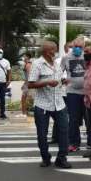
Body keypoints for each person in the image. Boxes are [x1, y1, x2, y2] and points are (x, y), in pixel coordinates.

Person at [27, 41, 71, 169]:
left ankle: (61, 158)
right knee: (42, 134)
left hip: (59, 103)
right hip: (43, 105)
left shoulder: (56, 63)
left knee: (64, 131)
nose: (56, 52)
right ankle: (45, 158)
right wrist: (46, 82)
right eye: (54, 49)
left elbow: (57, 80)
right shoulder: (37, 64)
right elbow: (31, 84)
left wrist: (63, 81)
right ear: (47, 51)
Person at [62, 37, 87, 153]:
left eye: (80, 47)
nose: (77, 49)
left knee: (89, 119)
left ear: (84, 47)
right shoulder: (66, 58)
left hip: (87, 92)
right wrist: (63, 79)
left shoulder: (86, 56)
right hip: (72, 92)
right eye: (75, 46)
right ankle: (74, 143)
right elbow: (59, 71)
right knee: (73, 119)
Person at [19, 53, 33, 117]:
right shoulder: (27, 64)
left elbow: (29, 76)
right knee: (25, 98)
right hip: (27, 83)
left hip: (28, 84)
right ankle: (24, 112)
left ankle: (24, 113)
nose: (23, 58)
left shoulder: (28, 65)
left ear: (27, 57)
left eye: (24, 57)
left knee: (24, 98)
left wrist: (27, 84)